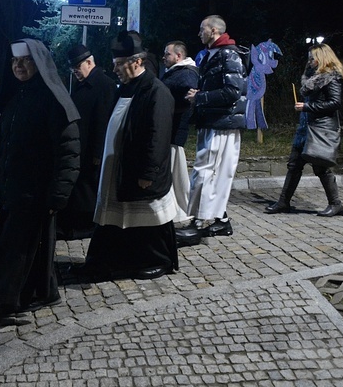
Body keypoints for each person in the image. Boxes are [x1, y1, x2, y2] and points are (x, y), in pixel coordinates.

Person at [0, 39, 80, 327]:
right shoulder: (17, 97)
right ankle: (43, 291)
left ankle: (0, 306)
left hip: (36, 192)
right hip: (13, 191)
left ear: (39, 62)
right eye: (15, 61)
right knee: (29, 248)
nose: (19, 66)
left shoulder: (54, 100)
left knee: (13, 251)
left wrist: (59, 194)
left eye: (25, 60)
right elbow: (4, 142)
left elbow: (69, 150)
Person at [71, 31, 178, 281]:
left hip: (141, 171)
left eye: (120, 64)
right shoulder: (125, 88)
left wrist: (148, 172)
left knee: (149, 220)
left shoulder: (155, 90)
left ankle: (159, 260)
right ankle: (103, 263)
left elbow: (158, 135)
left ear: (137, 61)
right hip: (117, 169)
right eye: (115, 64)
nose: (115, 69)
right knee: (113, 220)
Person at [265, 43, 343, 217]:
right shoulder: (311, 77)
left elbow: (335, 103)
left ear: (322, 58)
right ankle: (283, 202)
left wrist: (308, 107)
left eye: (312, 58)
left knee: (321, 167)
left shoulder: (331, 77)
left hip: (320, 129)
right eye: (309, 57)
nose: (309, 61)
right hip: (306, 127)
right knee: (294, 165)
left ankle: (336, 204)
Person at [185, 15, 247, 238]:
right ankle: (221, 220)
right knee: (213, 172)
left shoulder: (228, 55)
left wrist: (201, 97)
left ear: (213, 30)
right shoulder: (216, 54)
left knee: (206, 171)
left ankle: (198, 222)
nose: (199, 33)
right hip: (214, 120)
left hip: (222, 123)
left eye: (202, 29)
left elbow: (233, 92)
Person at [56, 44, 116, 240]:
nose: (75, 73)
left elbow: (103, 120)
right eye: (73, 70)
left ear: (89, 62)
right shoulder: (83, 84)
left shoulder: (104, 84)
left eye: (77, 69)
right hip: (80, 145)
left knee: (88, 189)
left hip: (92, 148)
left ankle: (85, 225)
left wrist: (98, 153)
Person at [160, 41, 201, 247]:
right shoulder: (179, 70)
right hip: (172, 129)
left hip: (176, 130)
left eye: (166, 54)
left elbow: (187, 91)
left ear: (178, 56)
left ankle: (183, 213)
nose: (164, 57)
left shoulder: (186, 72)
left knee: (177, 175)